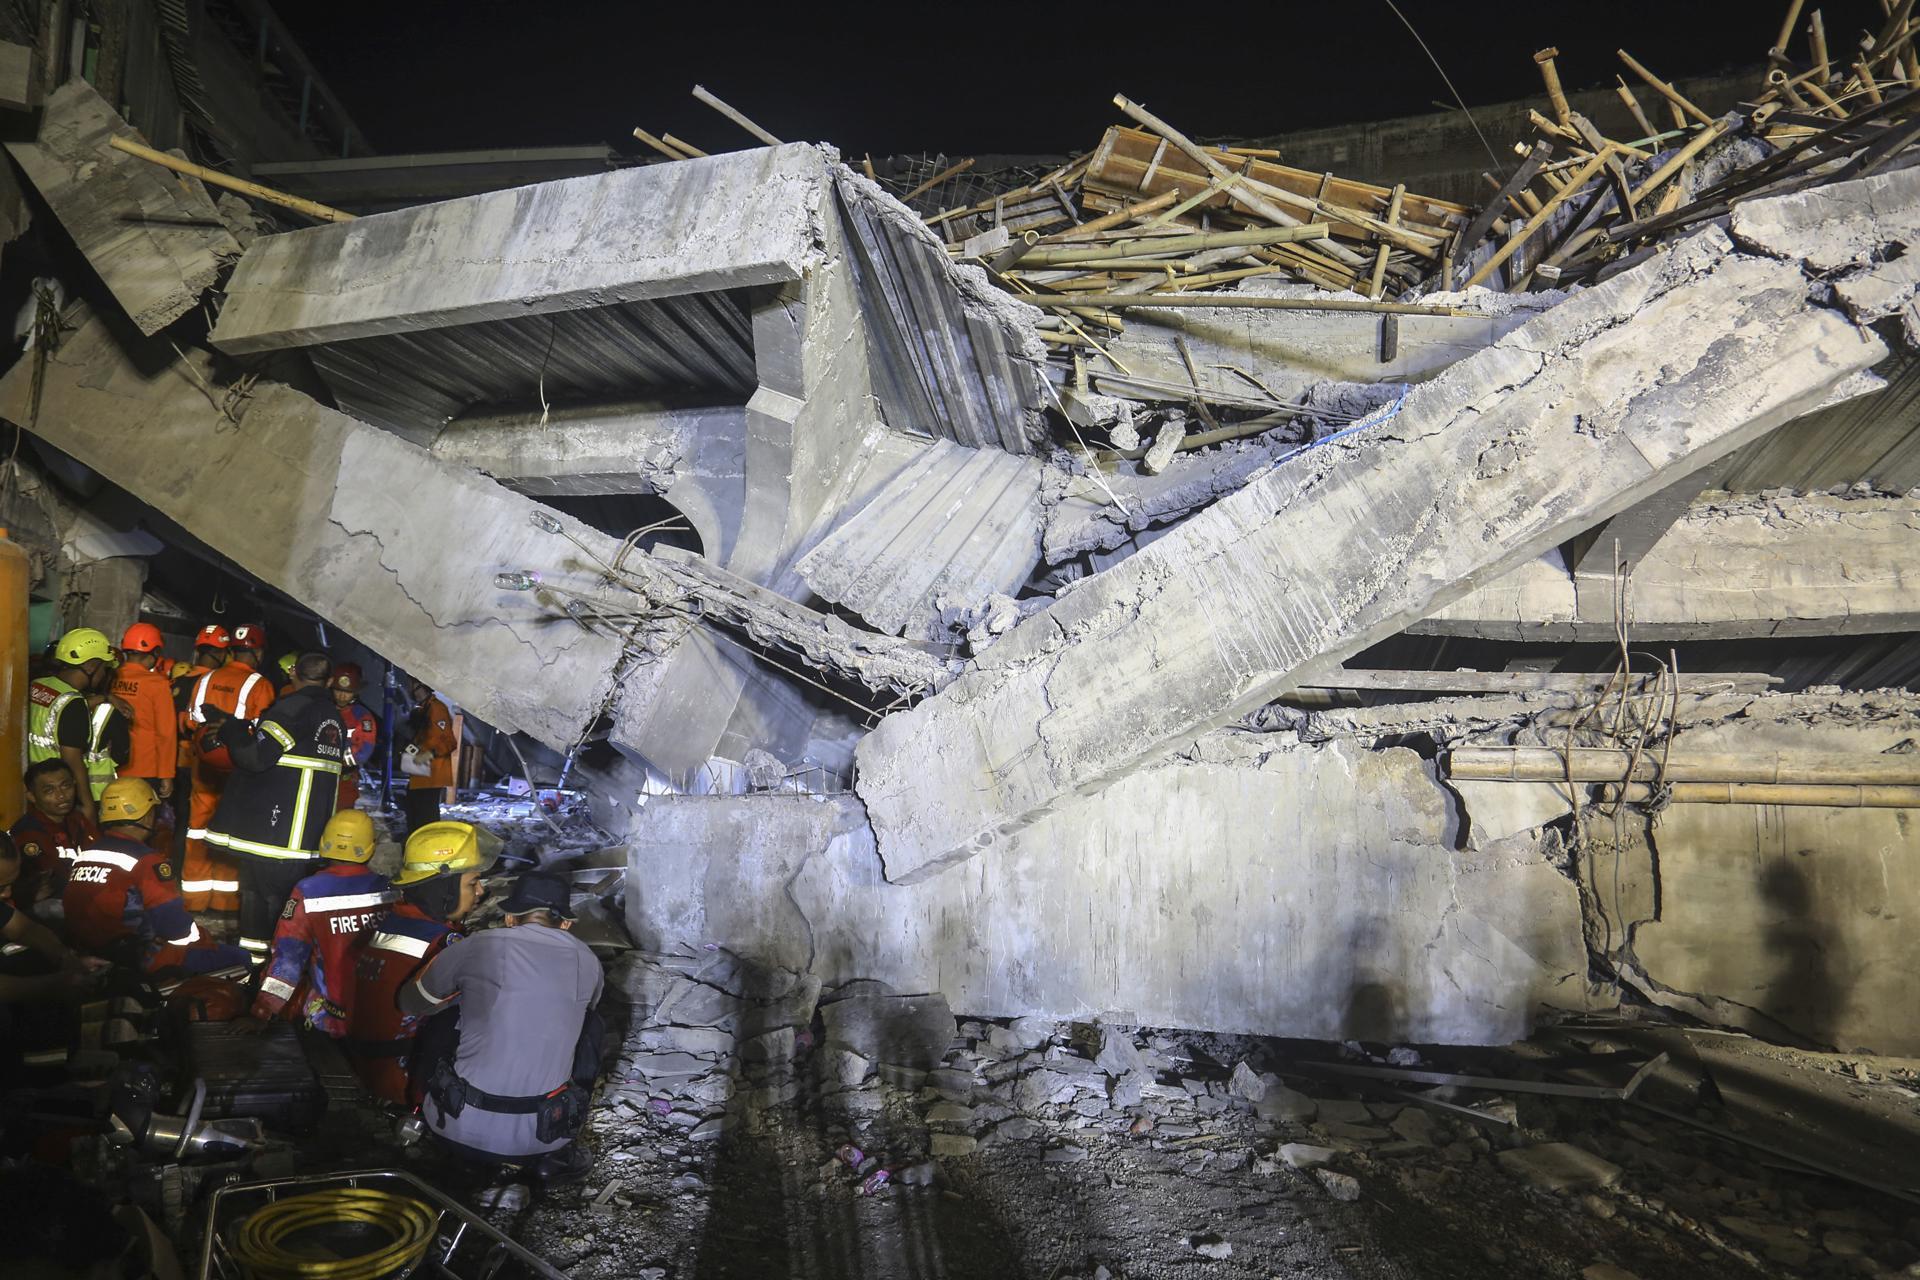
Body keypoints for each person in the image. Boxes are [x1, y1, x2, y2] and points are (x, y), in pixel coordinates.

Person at [403, 871, 602, 1180]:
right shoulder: (589, 961)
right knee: (590, 1026)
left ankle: (419, 1108)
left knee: (445, 1015)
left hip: (454, 1129)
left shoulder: (476, 945)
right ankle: (563, 1135)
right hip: (542, 1141)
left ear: (510, 918)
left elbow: (410, 1003)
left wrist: (466, 999)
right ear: (565, 924)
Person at [201, 651, 345, 966]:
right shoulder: (333, 717)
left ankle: (256, 971)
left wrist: (232, 732)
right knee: (287, 912)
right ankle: (280, 970)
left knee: (259, 906)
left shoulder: (292, 708)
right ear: (330, 681)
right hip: (305, 840)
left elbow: (256, 758)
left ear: (293, 674)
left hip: (272, 837)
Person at [343, 821, 490, 1106]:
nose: (481, 891)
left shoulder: (393, 921)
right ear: (444, 889)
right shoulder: (443, 946)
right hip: (405, 1084)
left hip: (365, 1066)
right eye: (472, 883)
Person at [62, 780, 249, 974]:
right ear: (147, 816)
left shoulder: (85, 854)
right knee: (240, 958)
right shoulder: (146, 860)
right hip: (137, 958)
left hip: (88, 953)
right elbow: (175, 926)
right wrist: (205, 941)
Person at [250, 810, 396, 1034]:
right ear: (371, 847)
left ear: (324, 842)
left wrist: (263, 1011)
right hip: (382, 1019)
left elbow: (289, 958)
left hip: (331, 1019)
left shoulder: (308, 891)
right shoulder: (390, 890)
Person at [180, 622, 273, 915]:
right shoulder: (261, 685)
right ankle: (224, 902)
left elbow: (191, 722)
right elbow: (263, 732)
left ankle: (194, 900)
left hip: (204, 765)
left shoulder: (206, 679)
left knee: (198, 830)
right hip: (240, 769)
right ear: (258, 653)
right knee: (230, 831)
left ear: (230, 650)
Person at [26, 627, 118, 827]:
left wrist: (104, 697)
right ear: (91, 666)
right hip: (56, 793)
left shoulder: (38, 685)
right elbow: (72, 759)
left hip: (34, 788)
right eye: (104, 668)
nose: (104, 674)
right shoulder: (73, 702)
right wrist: (87, 805)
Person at [8, 759, 98, 906]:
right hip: (50, 904)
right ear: (31, 796)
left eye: (66, 786)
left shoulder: (77, 819)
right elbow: (53, 882)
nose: (61, 795)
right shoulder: (29, 833)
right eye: (49, 791)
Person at [111, 622, 176, 800]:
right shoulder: (157, 684)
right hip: (145, 768)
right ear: (154, 652)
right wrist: (166, 774)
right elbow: (166, 733)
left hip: (110, 764)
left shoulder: (110, 677)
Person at [172, 624, 230, 825]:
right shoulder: (215, 684)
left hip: (173, 760)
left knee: (178, 817)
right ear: (221, 653)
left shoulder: (177, 682)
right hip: (199, 761)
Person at [404, 678, 457, 834]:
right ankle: (414, 841)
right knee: (413, 810)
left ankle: (428, 842)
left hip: (433, 773)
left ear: (423, 687)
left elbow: (450, 743)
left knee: (426, 816)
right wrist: (409, 752)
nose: (411, 690)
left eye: (414, 687)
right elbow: (420, 739)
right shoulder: (422, 709)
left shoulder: (437, 709)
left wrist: (429, 754)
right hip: (420, 772)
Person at [330, 663, 380, 811]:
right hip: (320, 778)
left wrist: (335, 758)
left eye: (347, 692)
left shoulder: (362, 717)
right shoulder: (323, 709)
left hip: (345, 780)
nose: (342, 695)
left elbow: (364, 752)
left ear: (356, 692)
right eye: (338, 690)